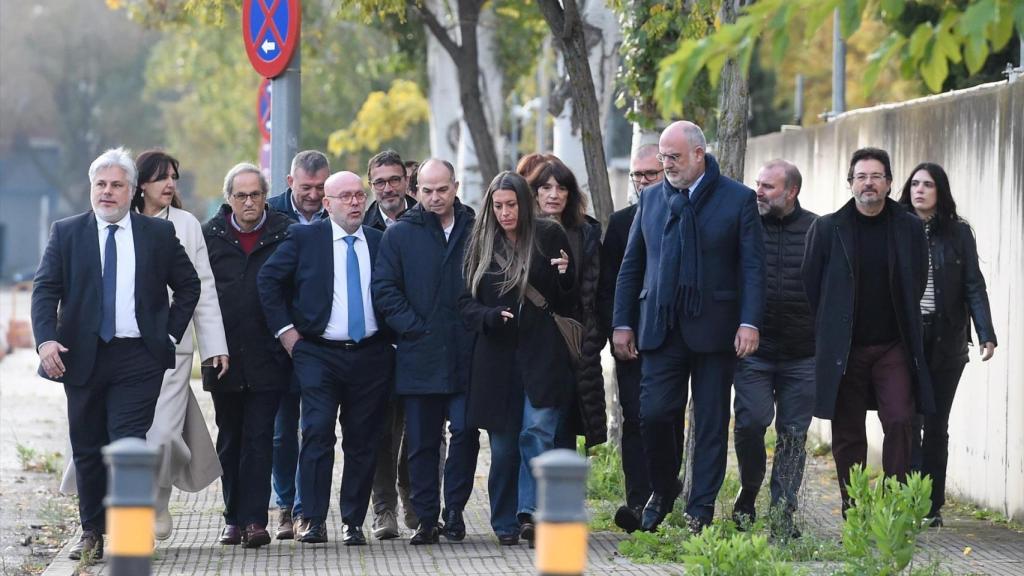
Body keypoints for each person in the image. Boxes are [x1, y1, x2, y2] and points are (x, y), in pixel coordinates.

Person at [31, 147, 200, 560]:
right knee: (87, 446)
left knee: (128, 444)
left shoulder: (156, 235)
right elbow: (45, 289)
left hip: (138, 358)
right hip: (81, 357)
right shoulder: (67, 232)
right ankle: (92, 532)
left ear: (131, 191)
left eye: (116, 185)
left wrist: (168, 336)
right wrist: (46, 340)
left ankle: (129, 534)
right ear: (92, 189)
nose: (107, 192)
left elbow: (189, 285)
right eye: (101, 185)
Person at [612, 121, 765, 534]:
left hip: (715, 329)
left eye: (674, 157)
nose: (667, 165)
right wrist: (622, 323)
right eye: (662, 157)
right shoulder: (652, 200)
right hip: (660, 326)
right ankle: (663, 488)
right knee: (655, 414)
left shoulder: (738, 200)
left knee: (712, 422)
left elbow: (752, 267)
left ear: (699, 154)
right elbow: (632, 266)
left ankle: (700, 509)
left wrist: (750, 322)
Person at [258, 171, 394, 546]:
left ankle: (353, 520)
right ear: (328, 204)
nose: (354, 202)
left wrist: (394, 340)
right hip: (317, 353)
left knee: (363, 440)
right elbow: (268, 281)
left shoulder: (381, 242)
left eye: (358, 195)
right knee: (317, 433)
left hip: (370, 354)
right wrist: (288, 334)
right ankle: (312, 519)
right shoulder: (305, 238)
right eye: (345, 196)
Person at [802, 147, 933, 514]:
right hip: (846, 348)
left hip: (893, 345)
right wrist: (832, 326)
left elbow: (917, 279)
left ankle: (892, 505)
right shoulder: (828, 229)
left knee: (900, 419)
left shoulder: (908, 227)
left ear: (889, 183)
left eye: (876, 176)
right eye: (861, 176)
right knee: (848, 431)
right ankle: (854, 506)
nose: (869, 183)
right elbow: (812, 285)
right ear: (850, 183)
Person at [459, 171, 575, 546]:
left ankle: (531, 514)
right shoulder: (480, 241)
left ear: (525, 204)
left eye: (511, 205)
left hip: (543, 354)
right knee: (505, 443)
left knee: (537, 432)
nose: (505, 213)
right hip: (497, 359)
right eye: (498, 206)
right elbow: (463, 304)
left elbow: (567, 299)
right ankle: (505, 519)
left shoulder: (549, 235)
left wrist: (565, 275)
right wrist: (488, 317)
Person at [372, 159, 480, 545]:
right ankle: (426, 519)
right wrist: (413, 326)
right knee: (421, 442)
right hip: (419, 355)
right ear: (415, 190)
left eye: (442, 189)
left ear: (455, 186)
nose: (435, 198)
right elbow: (384, 289)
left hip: (467, 354)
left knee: (466, 432)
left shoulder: (476, 229)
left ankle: (455, 513)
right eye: (427, 190)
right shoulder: (400, 234)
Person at [898, 162, 997, 526]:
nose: (919, 190)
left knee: (937, 424)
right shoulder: (895, 227)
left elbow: (973, 283)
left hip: (946, 340)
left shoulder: (958, 234)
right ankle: (906, 498)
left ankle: (930, 506)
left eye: (927, 185)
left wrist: (985, 332)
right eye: (914, 184)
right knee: (906, 421)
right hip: (905, 340)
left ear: (940, 191)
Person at [203, 163, 294, 547]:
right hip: (222, 356)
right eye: (240, 195)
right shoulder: (210, 235)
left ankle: (256, 520)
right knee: (230, 438)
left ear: (264, 196)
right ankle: (233, 518)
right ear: (229, 199)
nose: (248, 202)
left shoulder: (285, 232)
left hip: (268, 354)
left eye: (255, 194)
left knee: (260, 438)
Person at [596, 143, 682, 533]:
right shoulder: (620, 223)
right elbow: (614, 285)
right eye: (637, 175)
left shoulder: (683, 214)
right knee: (635, 418)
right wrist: (618, 329)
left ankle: (665, 491)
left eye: (651, 174)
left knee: (665, 417)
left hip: (672, 339)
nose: (643, 182)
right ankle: (637, 499)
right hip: (631, 340)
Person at [730, 159, 817, 538]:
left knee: (794, 435)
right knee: (750, 424)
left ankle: (782, 514)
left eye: (768, 186)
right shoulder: (746, 226)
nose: (758, 192)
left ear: (791, 191)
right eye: (758, 184)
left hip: (803, 354)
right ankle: (749, 490)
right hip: (755, 353)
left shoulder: (818, 229)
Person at [266, 150, 330, 539]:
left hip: (323, 342)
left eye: (320, 187)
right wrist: (282, 330)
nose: (313, 195)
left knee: (316, 428)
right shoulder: (271, 214)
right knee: (281, 431)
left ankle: (307, 510)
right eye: (306, 187)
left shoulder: (337, 211)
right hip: (280, 340)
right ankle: (283, 505)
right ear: (291, 183)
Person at [522, 157, 606, 450]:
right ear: (533, 192)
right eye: (545, 187)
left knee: (565, 430)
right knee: (534, 429)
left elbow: (595, 294)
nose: (553, 194)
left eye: (561, 188)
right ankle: (530, 497)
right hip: (531, 345)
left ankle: (561, 496)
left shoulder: (585, 234)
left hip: (574, 345)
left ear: (571, 193)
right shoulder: (518, 231)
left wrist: (589, 341)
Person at [362, 150, 421, 538]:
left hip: (421, 342)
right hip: (376, 346)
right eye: (380, 181)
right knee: (381, 431)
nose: (388, 188)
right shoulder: (360, 224)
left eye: (394, 180)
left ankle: (417, 503)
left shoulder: (428, 219)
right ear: (372, 186)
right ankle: (384, 509)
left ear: (406, 181)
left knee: (423, 429)